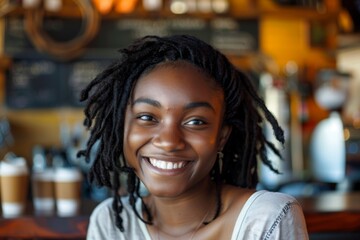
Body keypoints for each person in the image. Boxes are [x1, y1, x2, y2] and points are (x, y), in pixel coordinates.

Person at [79, 35, 309, 240]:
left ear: (221, 136)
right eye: (148, 117)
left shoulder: (266, 219)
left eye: (195, 122)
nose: (168, 141)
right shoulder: (112, 223)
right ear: (122, 127)